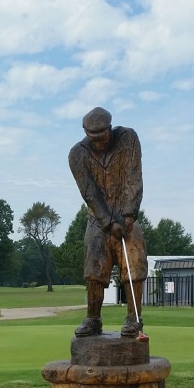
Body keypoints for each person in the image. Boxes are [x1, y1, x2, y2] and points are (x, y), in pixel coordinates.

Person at [68, 107, 146, 338]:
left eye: (102, 136)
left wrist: (129, 216)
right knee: (94, 270)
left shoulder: (128, 138)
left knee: (135, 265)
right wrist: (109, 222)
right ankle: (93, 318)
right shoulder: (77, 154)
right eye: (93, 138)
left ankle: (134, 318)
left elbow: (134, 176)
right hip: (98, 220)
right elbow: (89, 192)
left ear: (110, 129)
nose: (99, 142)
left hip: (127, 217)